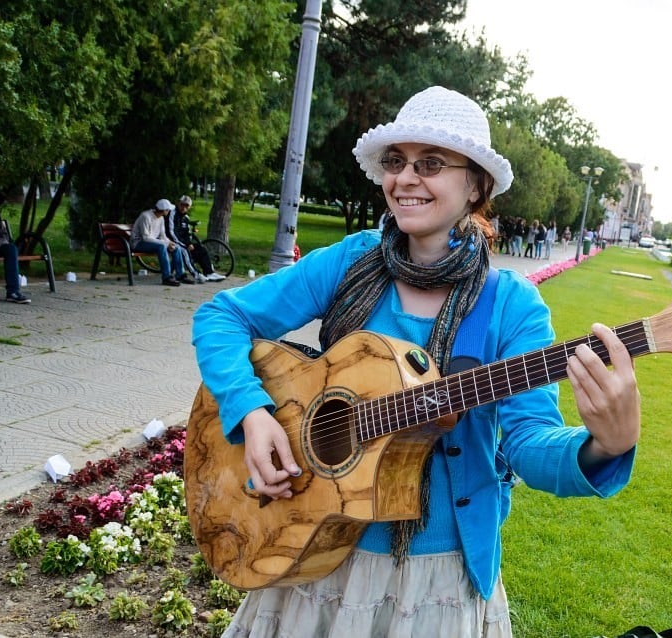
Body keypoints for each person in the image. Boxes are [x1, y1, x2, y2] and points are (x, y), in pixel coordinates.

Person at [191, 85, 640, 637]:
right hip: (312, 553)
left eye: (430, 163)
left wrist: (605, 445)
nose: (405, 178)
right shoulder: (353, 261)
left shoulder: (510, 305)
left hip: (435, 579)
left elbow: (526, 443)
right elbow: (220, 317)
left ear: (475, 184)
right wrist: (253, 413)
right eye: (395, 162)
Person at [130, 198, 189, 286]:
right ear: (164, 210)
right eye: (168, 210)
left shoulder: (161, 218)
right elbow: (145, 237)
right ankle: (166, 277)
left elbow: (162, 236)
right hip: (138, 243)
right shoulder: (146, 216)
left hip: (152, 243)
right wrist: (165, 244)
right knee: (161, 246)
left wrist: (169, 242)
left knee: (176, 247)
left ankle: (180, 275)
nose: (169, 211)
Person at [167, 195, 226, 282]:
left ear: (189, 207)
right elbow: (171, 232)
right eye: (182, 205)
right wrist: (186, 244)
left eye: (186, 206)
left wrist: (189, 243)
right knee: (185, 251)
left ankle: (209, 273)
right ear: (178, 204)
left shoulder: (186, 218)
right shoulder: (172, 214)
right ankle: (197, 275)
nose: (183, 207)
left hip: (182, 242)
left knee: (201, 249)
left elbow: (186, 233)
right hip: (170, 241)